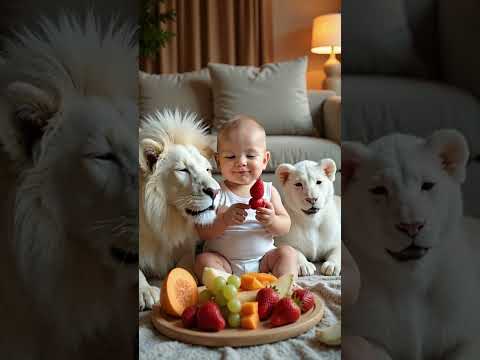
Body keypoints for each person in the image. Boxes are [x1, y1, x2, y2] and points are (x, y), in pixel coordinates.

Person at [194, 115, 297, 279]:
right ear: (218, 161)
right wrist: (224, 220)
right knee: (203, 261)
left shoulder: (269, 191)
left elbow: (286, 226)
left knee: (288, 253)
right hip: (225, 263)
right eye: (230, 156)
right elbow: (202, 232)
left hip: (264, 262)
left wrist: (272, 220)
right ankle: (225, 289)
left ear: (264, 160)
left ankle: (283, 287)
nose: (241, 162)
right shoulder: (215, 192)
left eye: (250, 156)